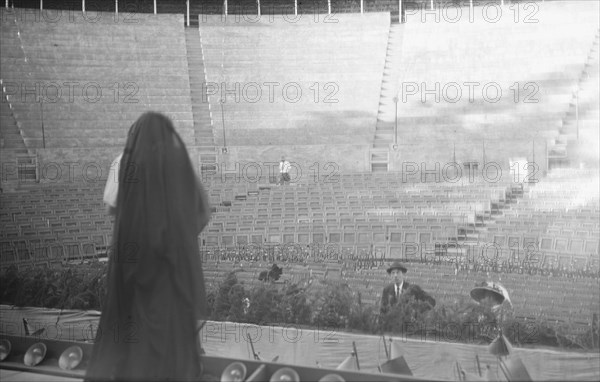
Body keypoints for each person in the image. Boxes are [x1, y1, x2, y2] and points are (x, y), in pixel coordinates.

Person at [86, 112, 211, 381]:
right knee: (171, 342)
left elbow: (112, 209)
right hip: (169, 272)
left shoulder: (123, 163)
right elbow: (202, 211)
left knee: (133, 344)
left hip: (134, 270)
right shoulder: (179, 164)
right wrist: (177, 239)